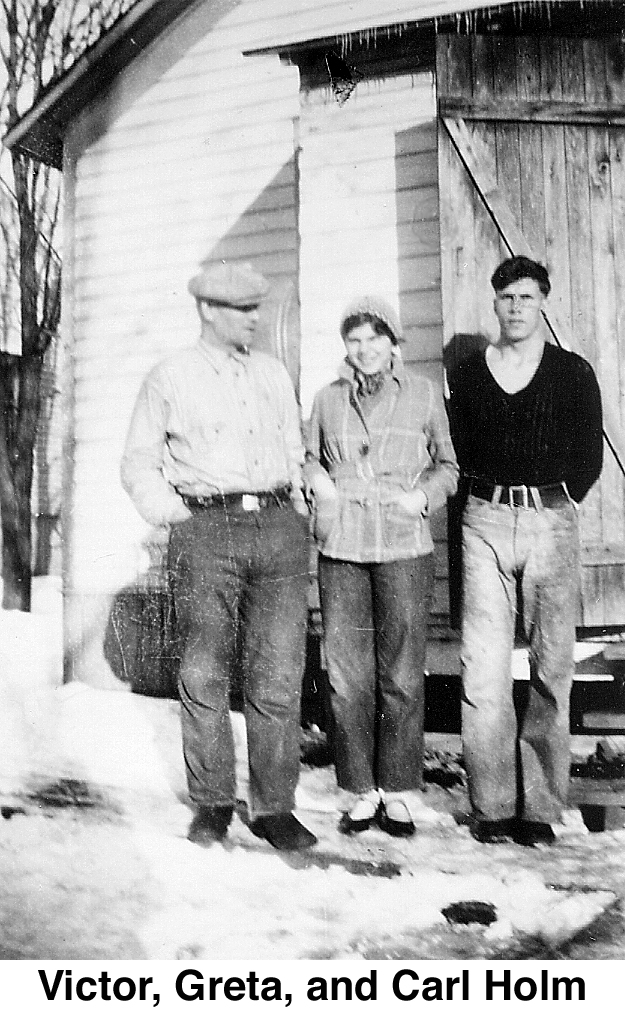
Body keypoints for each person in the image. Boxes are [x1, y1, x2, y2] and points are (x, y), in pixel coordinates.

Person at [121, 261, 316, 852]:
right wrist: (178, 516)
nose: (255, 320)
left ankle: (275, 808)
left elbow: (294, 449)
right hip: (207, 531)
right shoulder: (170, 377)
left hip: (278, 528)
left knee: (278, 674)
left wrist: (300, 507)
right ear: (208, 310)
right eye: (242, 310)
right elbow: (137, 463)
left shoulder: (274, 376)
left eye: (257, 308)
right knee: (204, 672)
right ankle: (211, 803)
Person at [446, 255, 603, 846]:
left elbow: (590, 452)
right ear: (494, 302)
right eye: (507, 297)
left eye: (527, 298)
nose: (516, 308)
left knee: (549, 666)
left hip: (551, 523)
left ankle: (538, 808)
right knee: (482, 671)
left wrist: (559, 501)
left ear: (543, 303)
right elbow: (460, 446)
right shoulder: (467, 373)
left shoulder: (571, 372)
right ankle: (491, 806)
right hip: (484, 520)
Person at [305, 296, 458, 836]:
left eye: (375, 338)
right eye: (355, 340)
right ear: (346, 348)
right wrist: (318, 481)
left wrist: (423, 498)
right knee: (348, 678)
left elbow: (448, 466)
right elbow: (308, 457)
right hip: (342, 547)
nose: (365, 349)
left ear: (393, 343)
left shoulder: (420, 394)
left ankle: (396, 791)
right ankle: (360, 791)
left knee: (400, 674)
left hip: (402, 546)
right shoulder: (327, 400)